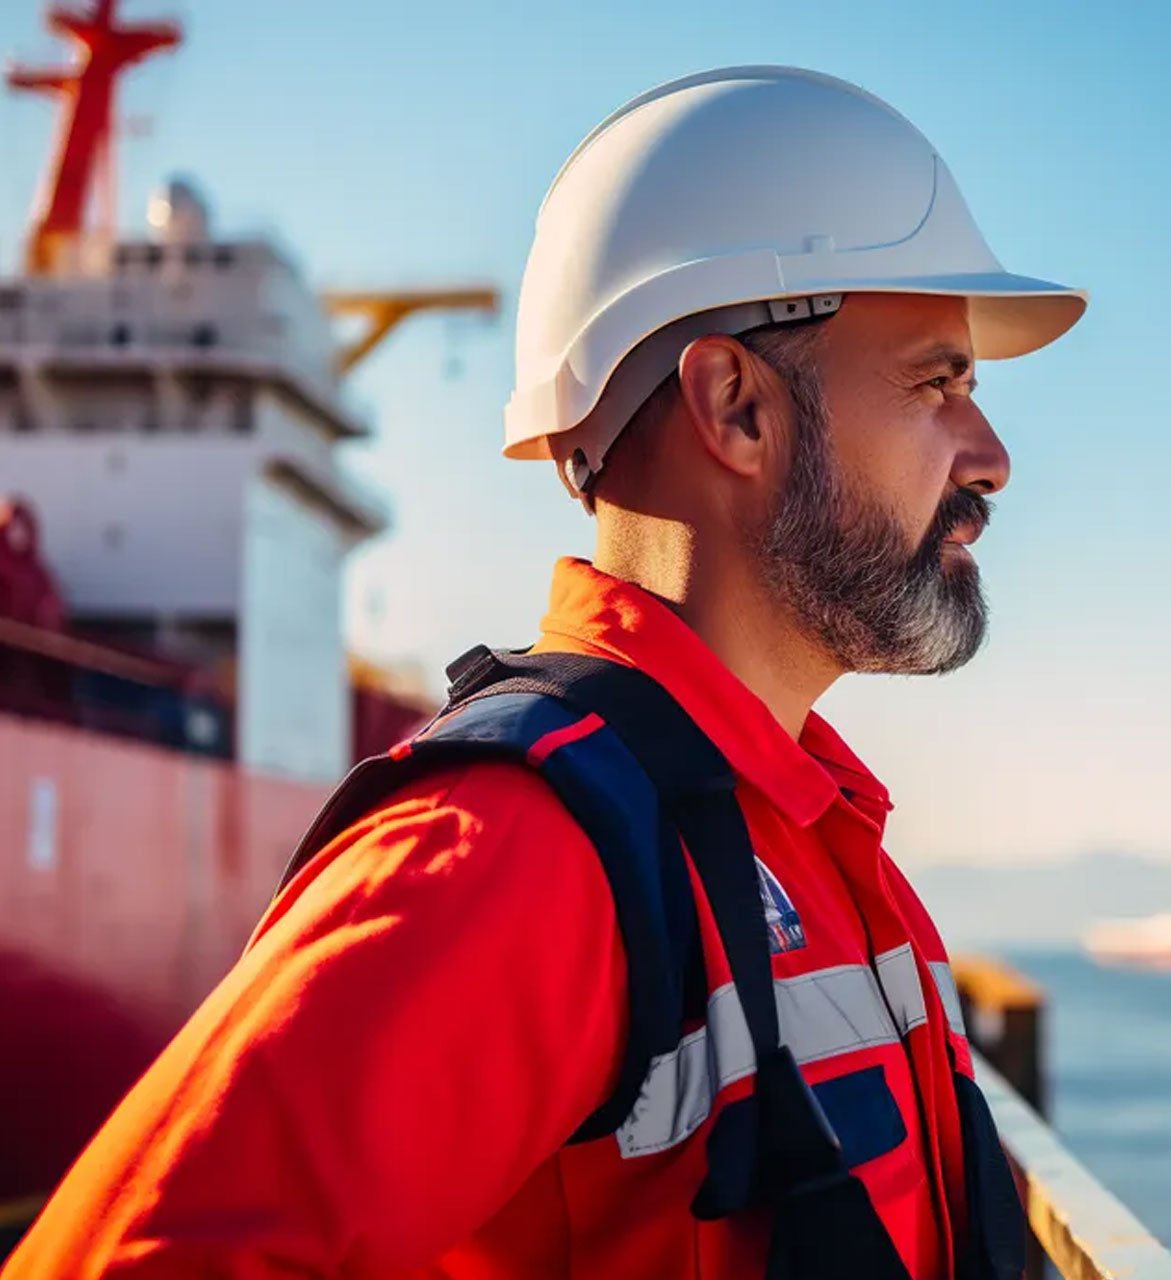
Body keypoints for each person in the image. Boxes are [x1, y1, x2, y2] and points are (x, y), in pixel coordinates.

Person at [3, 67, 1084, 1278]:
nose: (989, 457)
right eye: (938, 382)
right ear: (735, 408)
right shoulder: (518, 850)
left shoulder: (813, 822)